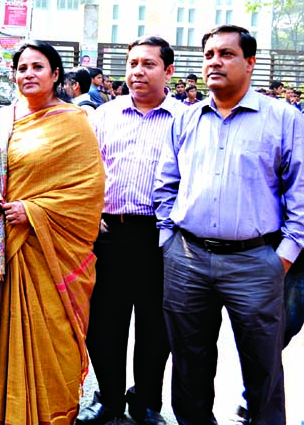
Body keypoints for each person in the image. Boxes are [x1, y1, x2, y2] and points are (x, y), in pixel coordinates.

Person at [153, 25, 304, 425]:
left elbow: (301, 192)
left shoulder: (283, 119)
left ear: (250, 62)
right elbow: (166, 183)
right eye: (209, 55)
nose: (215, 62)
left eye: (226, 54)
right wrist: (168, 240)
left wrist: (284, 256)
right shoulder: (186, 120)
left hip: (255, 261)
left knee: (263, 367)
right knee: (189, 363)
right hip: (186, 259)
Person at [0, 40, 104, 425]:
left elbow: (88, 190)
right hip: (7, 251)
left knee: (53, 339)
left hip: (49, 251)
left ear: (56, 74)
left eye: (37, 67)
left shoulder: (74, 121)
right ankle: (4, 413)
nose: (28, 74)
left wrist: (32, 211)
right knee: (5, 339)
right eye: (22, 68)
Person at [77, 36, 181, 425]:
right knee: (104, 321)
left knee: (157, 326)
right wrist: (90, 212)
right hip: (109, 232)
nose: (138, 71)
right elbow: (88, 169)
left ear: (167, 70)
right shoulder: (105, 115)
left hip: (160, 236)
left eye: (149, 64)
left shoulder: (184, 119)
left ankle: (147, 401)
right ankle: (109, 397)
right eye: (133, 63)